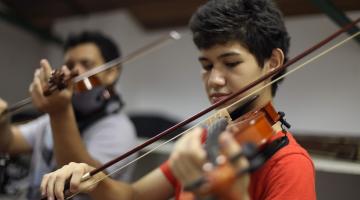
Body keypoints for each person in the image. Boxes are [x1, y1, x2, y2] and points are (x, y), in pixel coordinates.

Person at [38, 0, 316, 200]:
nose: (214, 79)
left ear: (273, 63)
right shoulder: (209, 138)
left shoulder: (289, 165)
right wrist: (92, 177)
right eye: (207, 66)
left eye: (230, 63)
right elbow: (134, 195)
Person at [0, 31, 138, 199]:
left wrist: (59, 111)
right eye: (70, 65)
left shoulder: (119, 129)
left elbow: (78, 181)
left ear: (111, 73)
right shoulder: (51, 118)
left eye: (86, 64)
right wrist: (3, 122)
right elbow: (10, 142)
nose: (75, 72)